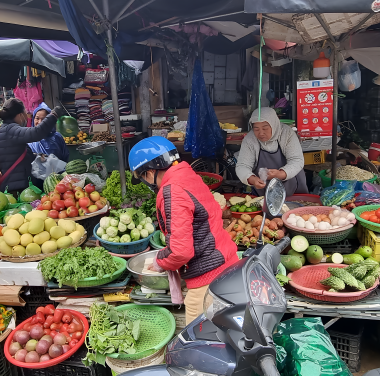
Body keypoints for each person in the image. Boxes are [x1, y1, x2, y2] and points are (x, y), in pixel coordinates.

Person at [130, 136, 239, 324]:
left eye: (142, 177)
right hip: (226, 266)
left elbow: (180, 251)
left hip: (207, 280)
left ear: (149, 172)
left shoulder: (172, 190)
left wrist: (159, 262)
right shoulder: (188, 175)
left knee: (199, 344)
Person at [234, 107, 308, 196]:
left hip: (292, 185)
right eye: (256, 129)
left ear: (274, 124)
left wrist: (281, 174)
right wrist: (252, 179)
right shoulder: (250, 139)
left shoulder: (286, 133)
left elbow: (297, 160)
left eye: (265, 128)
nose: (261, 133)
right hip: (265, 188)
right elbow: (242, 166)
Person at [0, 98, 58, 193]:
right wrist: (53, 115)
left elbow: (14, 154)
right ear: (20, 115)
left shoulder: (6, 129)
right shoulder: (11, 129)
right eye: (25, 113)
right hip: (16, 187)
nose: (26, 117)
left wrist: (35, 156)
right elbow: (37, 133)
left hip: (15, 183)